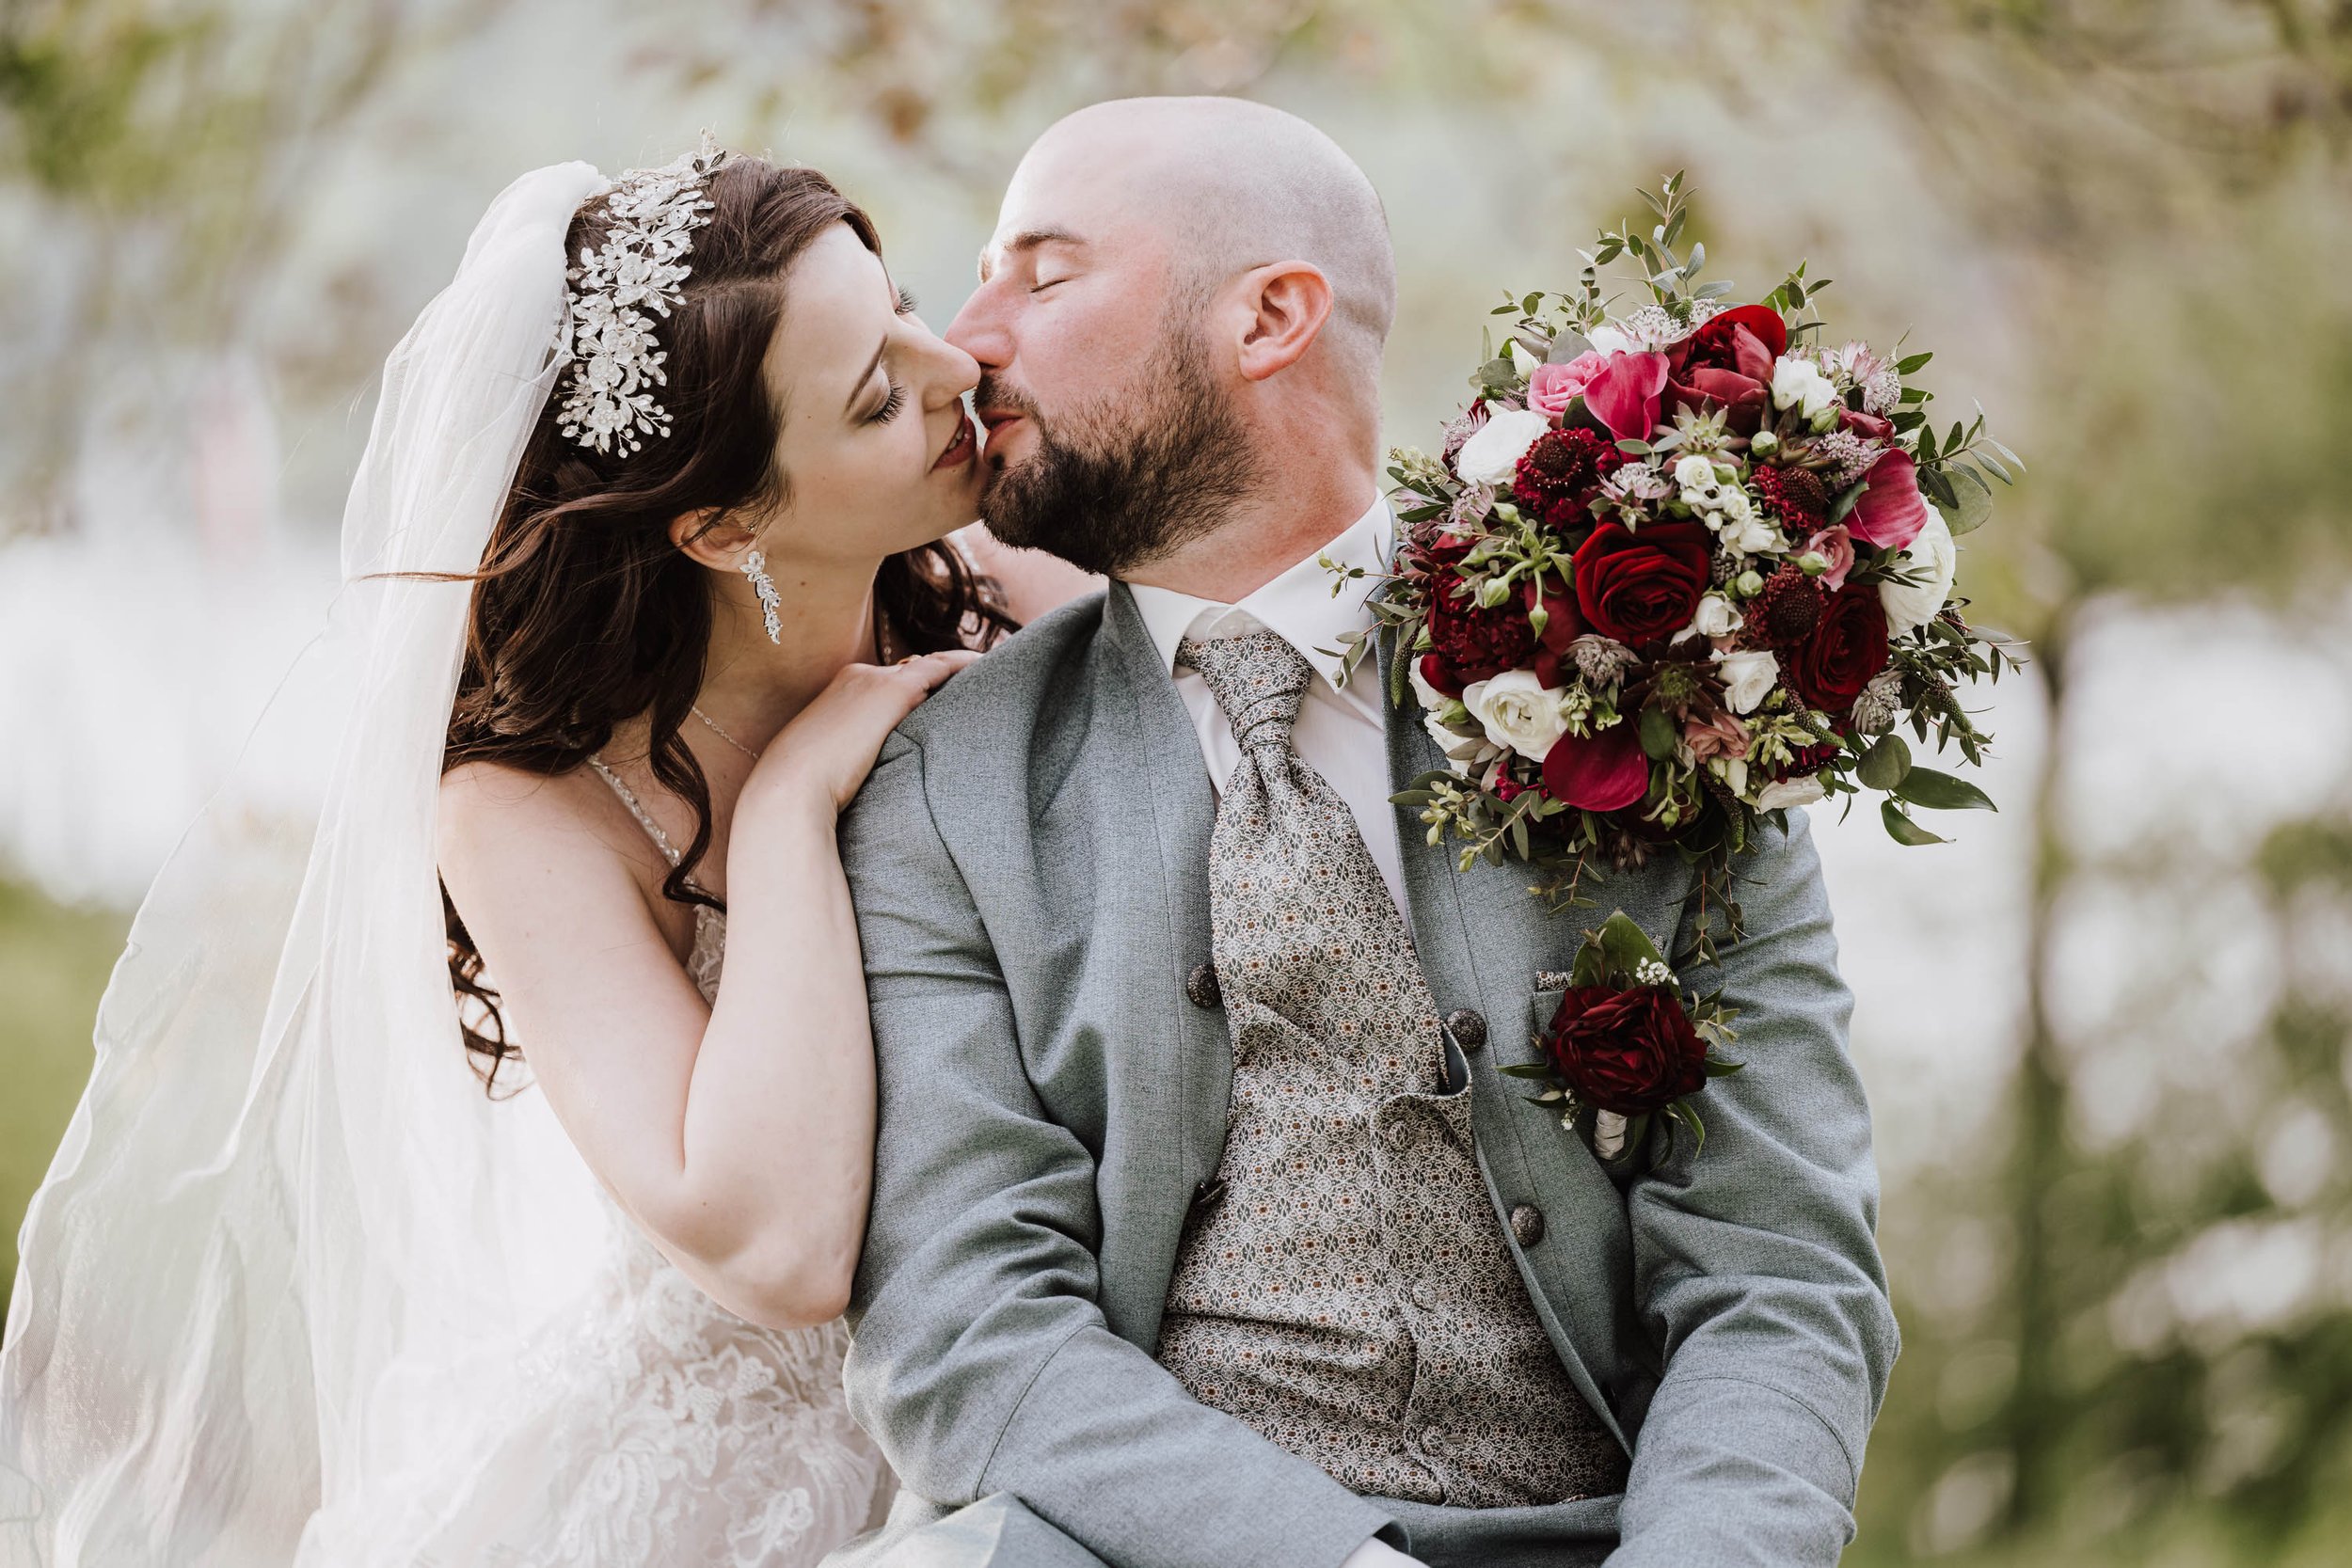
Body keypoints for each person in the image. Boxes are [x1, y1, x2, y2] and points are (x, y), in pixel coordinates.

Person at [829, 97, 1900, 1568]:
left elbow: (1778, 1276)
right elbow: (964, 1330)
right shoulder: (946, 788)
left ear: (1272, 315)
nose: (971, 338)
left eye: (1043, 273)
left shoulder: (1661, 681)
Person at [0, 142, 1086, 1568]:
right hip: (734, 1492)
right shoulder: (533, 809)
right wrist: (787, 809)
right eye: (876, 398)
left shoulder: (1011, 587)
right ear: (721, 523)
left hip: (1054, 1376)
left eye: (905, 306)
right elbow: (777, 1251)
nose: (955, 370)